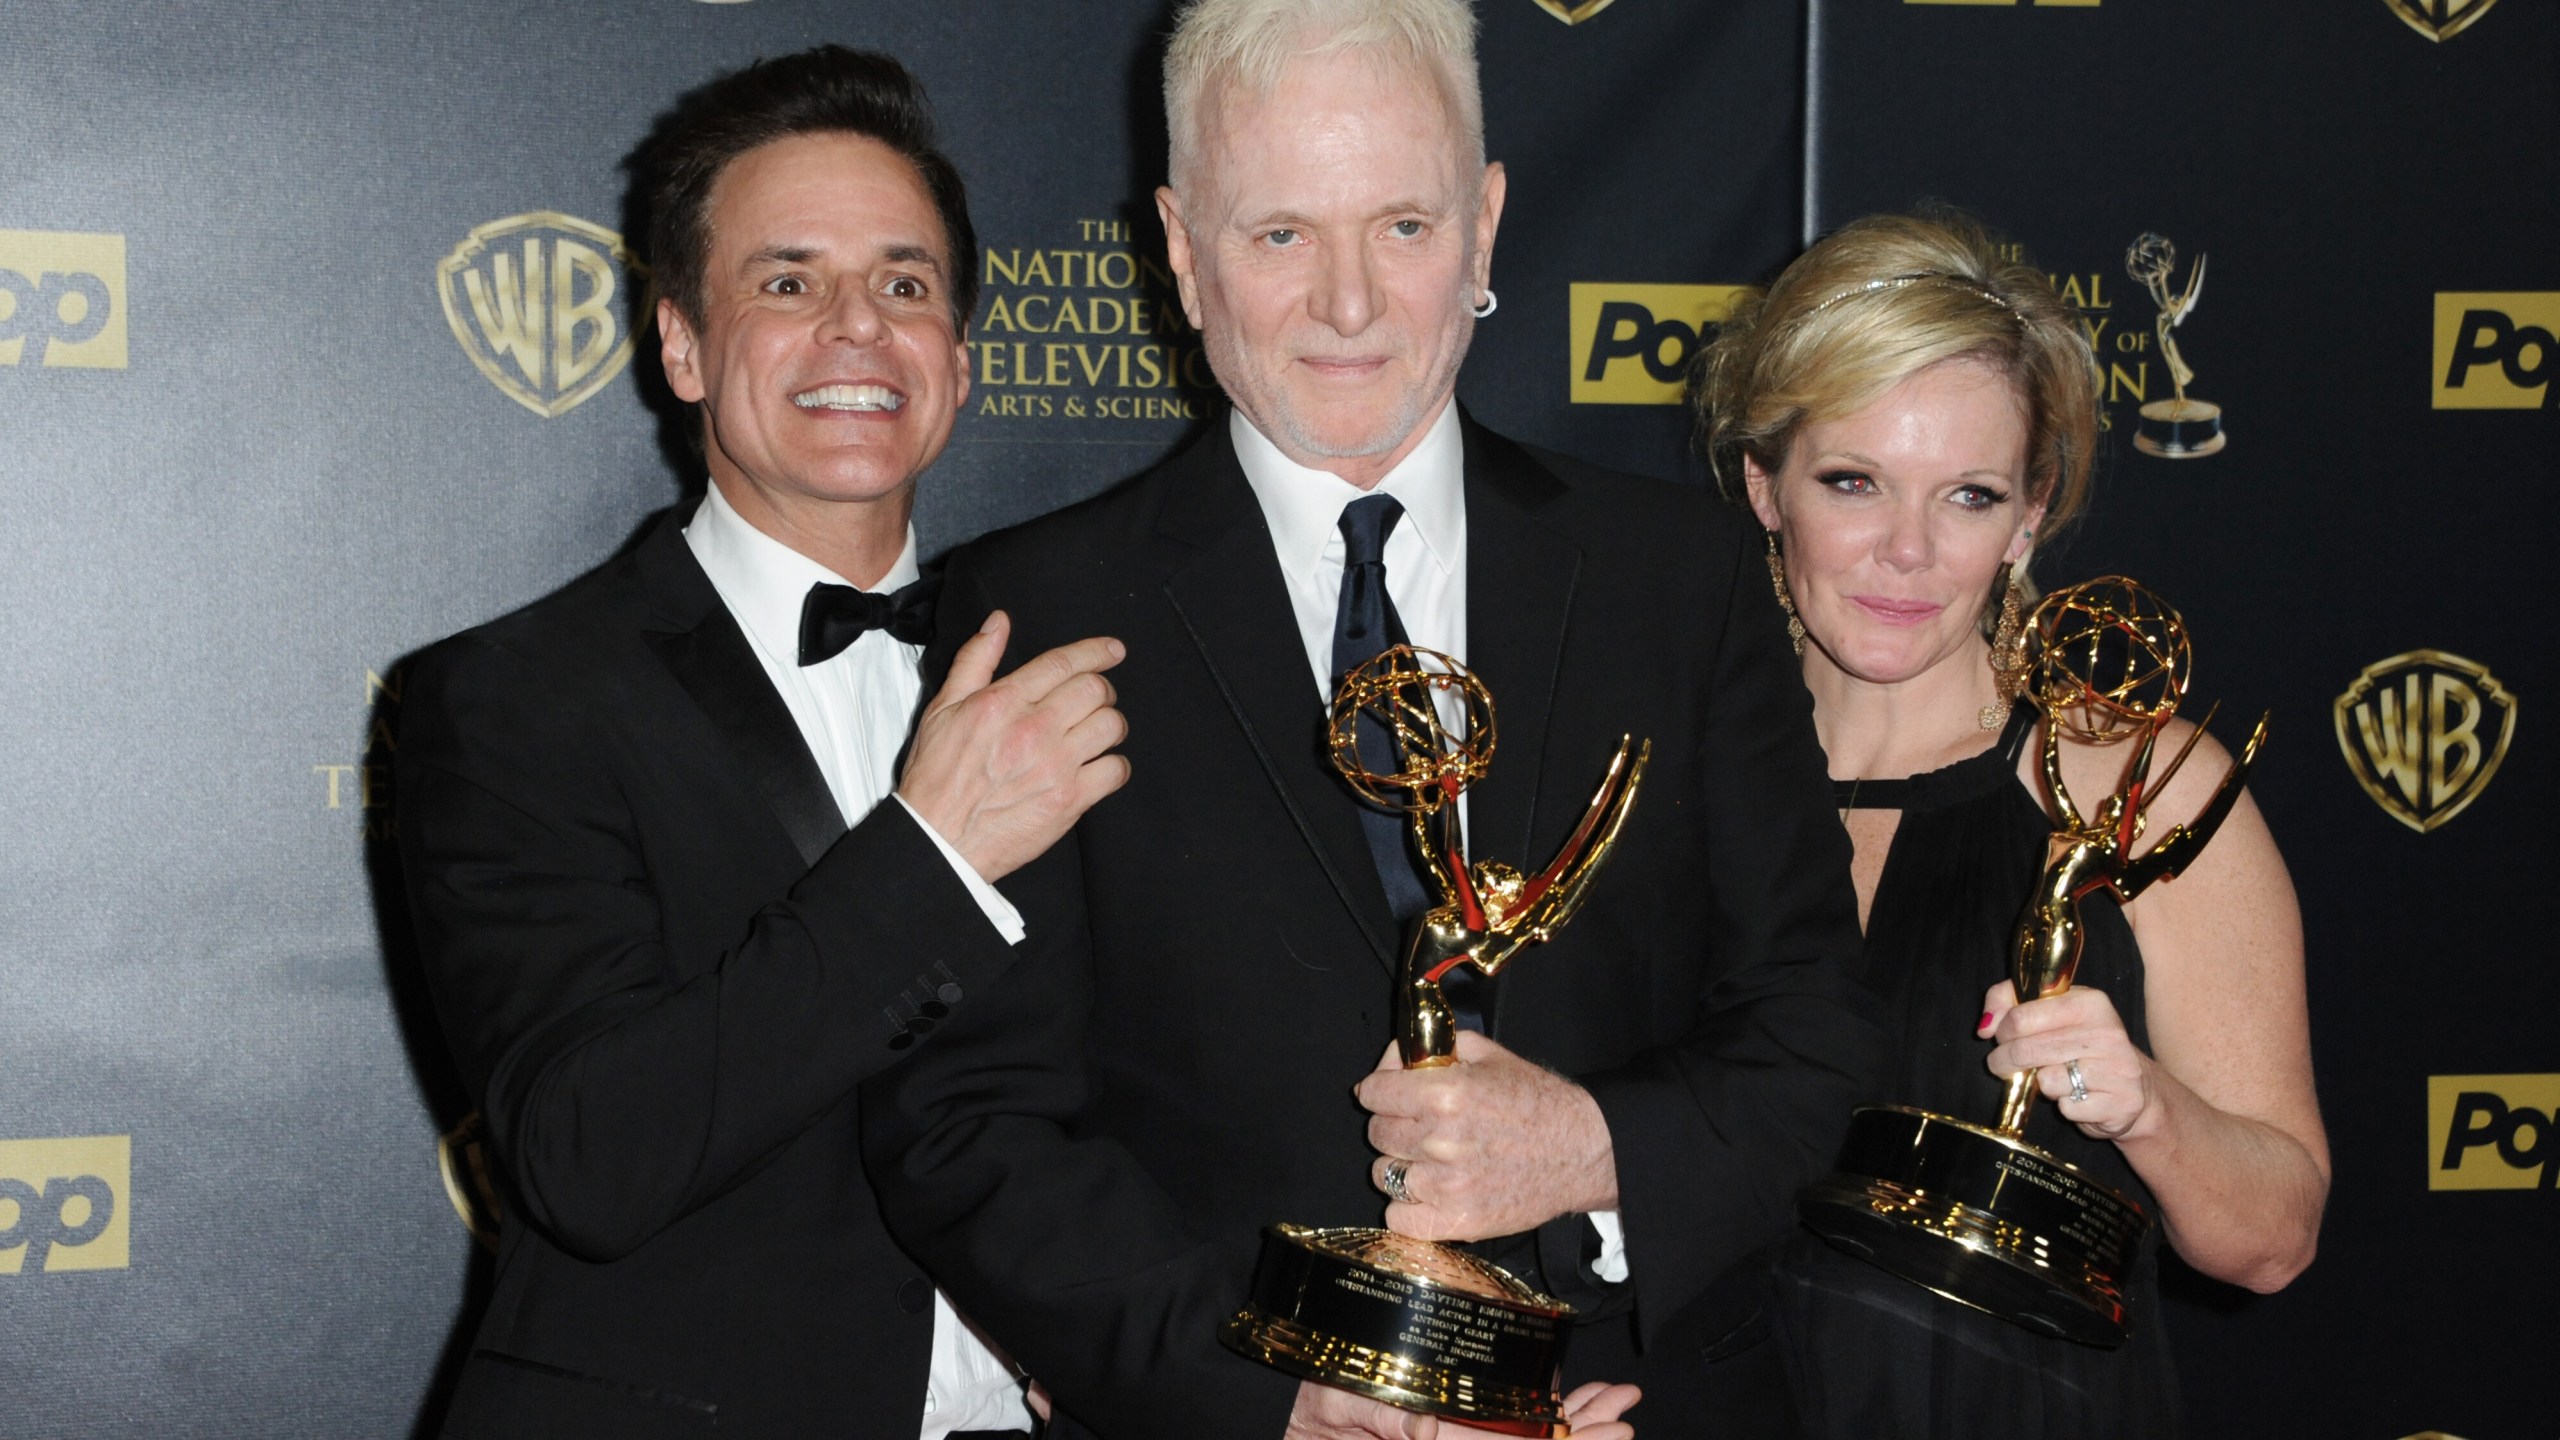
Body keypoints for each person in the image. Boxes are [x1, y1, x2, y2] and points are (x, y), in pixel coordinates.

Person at [859, 3, 1884, 1437]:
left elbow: (1820, 1037)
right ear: (1180, 249)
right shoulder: (1037, 612)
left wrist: (1592, 1149)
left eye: (1401, 226)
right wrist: (1271, 1387)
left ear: (1485, 225)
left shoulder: (1684, 581)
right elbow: (967, 1123)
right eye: (1281, 234)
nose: (1348, 304)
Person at [394, 47, 1130, 1439]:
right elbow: (590, 1154)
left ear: (961, 361)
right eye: (787, 282)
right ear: (681, 342)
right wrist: (934, 855)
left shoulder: (1069, 676)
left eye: (905, 285)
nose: (858, 329)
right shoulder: (511, 702)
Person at [1689, 211, 2329, 1437]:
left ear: (2029, 518)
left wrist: (2141, 1103)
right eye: (1852, 481)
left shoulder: (2137, 793)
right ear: (1766, 486)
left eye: (1969, 496)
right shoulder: (1678, 781)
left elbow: (2273, 1242)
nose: (1908, 552)